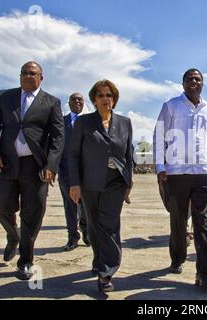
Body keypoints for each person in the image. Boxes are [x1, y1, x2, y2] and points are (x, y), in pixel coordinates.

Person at [0, 61, 64, 280]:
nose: (28, 76)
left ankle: (26, 261)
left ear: (41, 77)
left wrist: (51, 165)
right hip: (6, 164)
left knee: (32, 215)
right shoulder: (5, 97)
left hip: (35, 168)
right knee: (0, 207)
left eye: (32, 73)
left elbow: (58, 138)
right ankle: (13, 235)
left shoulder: (51, 102)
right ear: (20, 76)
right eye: (24, 73)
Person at [153, 68, 207, 289]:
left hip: (202, 172)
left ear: (202, 84)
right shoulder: (171, 106)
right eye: (189, 79)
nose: (194, 81)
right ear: (183, 84)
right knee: (178, 220)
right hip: (176, 172)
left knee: (203, 223)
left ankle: (203, 273)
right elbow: (159, 135)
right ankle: (178, 257)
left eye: (197, 79)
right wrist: (161, 166)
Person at [69, 79, 133, 292]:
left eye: (109, 95)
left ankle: (107, 271)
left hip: (116, 182)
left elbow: (128, 155)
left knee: (109, 224)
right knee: (94, 225)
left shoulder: (125, 123)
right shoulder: (84, 123)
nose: (106, 99)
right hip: (90, 182)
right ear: (94, 100)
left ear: (114, 99)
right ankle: (99, 260)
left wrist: (129, 181)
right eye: (101, 95)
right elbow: (74, 154)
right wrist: (75, 184)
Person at [58, 93, 89, 251]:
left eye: (80, 99)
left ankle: (86, 229)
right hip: (65, 171)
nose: (77, 102)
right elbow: (55, 144)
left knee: (86, 205)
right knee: (70, 206)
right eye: (74, 99)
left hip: (87, 172)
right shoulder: (61, 122)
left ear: (84, 103)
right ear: (68, 103)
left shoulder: (90, 121)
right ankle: (72, 237)